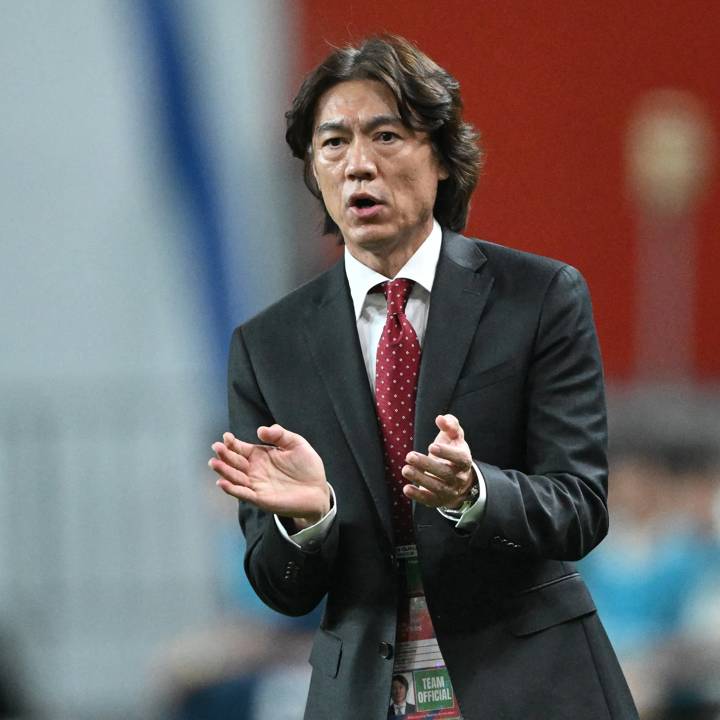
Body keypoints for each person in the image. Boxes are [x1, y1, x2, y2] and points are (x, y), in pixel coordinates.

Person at [209, 35, 637, 720]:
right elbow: (277, 585)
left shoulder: (540, 296)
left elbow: (581, 507)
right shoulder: (268, 346)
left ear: (440, 155)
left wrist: (476, 493)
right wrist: (308, 523)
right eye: (333, 144)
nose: (358, 167)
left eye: (385, 135)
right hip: (364, 696)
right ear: (313, 171)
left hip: (533, 685)